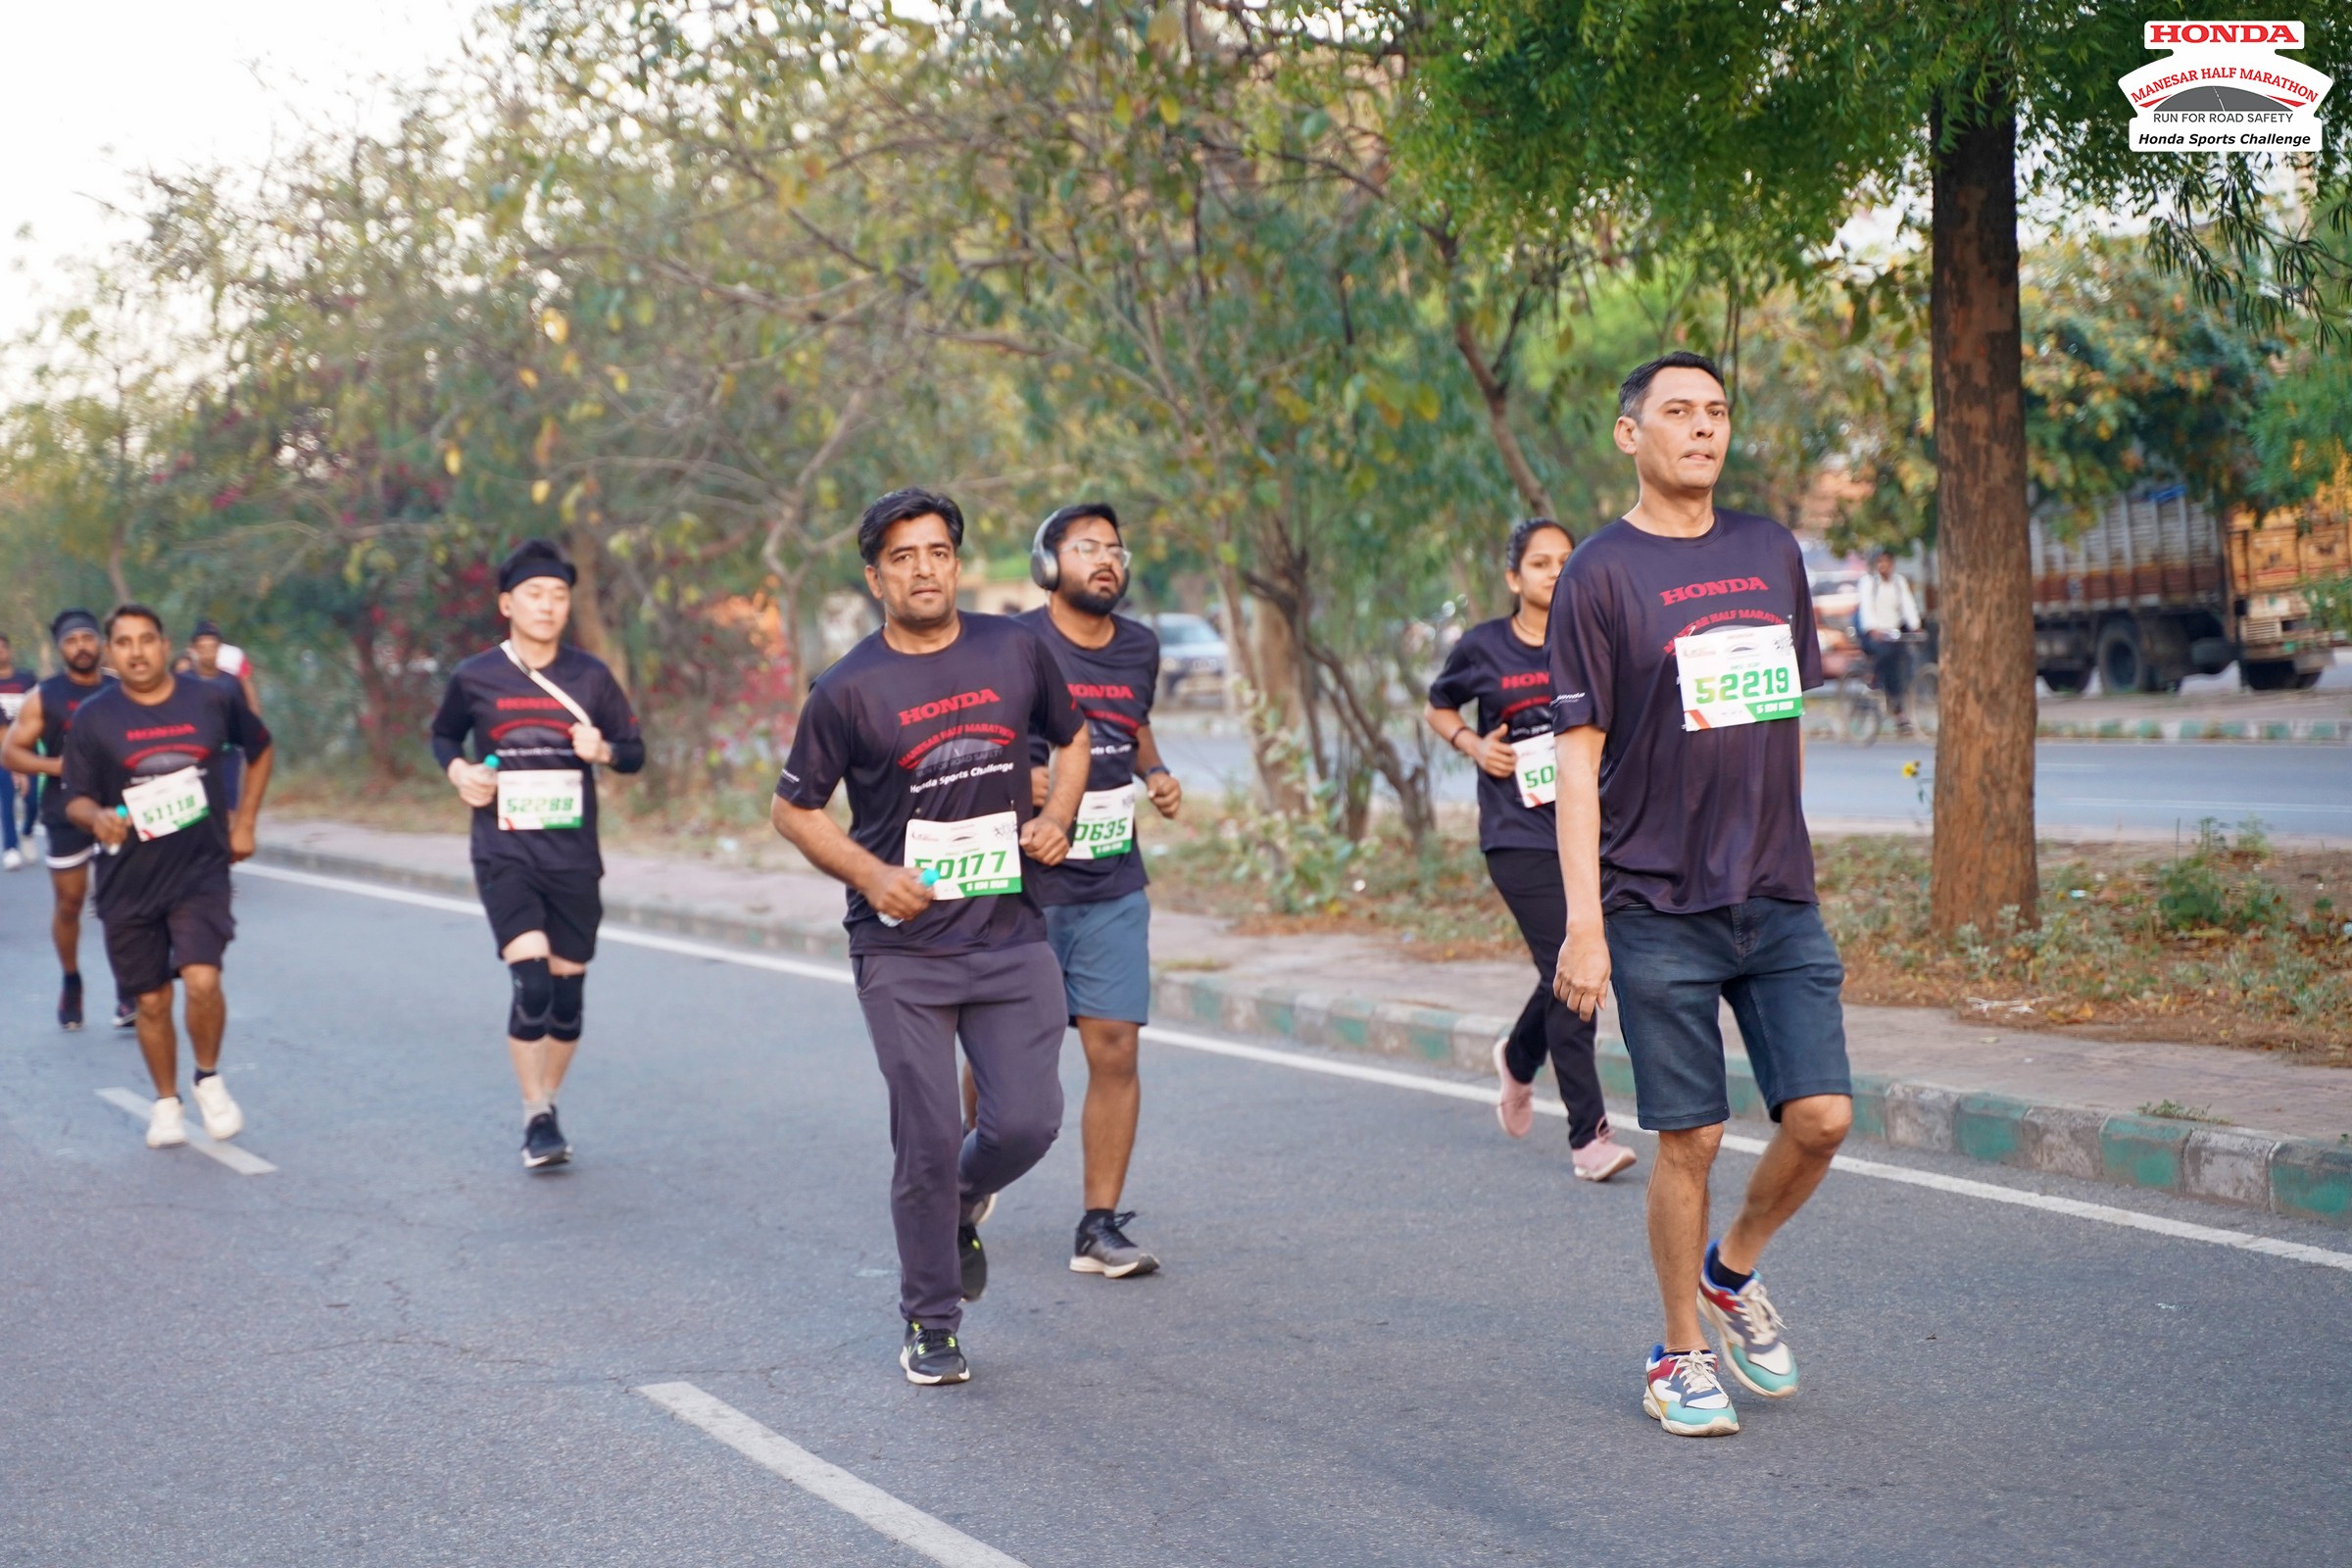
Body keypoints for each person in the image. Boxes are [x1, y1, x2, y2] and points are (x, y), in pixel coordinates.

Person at [1548, 351, 1853, 1439]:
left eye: (1717, 411)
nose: (1703, 428)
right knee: (1692, 1138)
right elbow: (1576, 756)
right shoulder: (1598, 574)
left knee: (1823, 1117)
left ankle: (1733, 1270)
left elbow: (1786, 717)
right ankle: (1677, 1352)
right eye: (1678, 412)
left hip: (1775, 891)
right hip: (1653, 902)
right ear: (1630, 434)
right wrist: (1584, 924)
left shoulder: (1771, 550)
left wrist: (1790, 843)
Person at [771, 487, 1090, 1387]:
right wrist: (871, 876)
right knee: (925, 1136)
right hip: (902, 950)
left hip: (1009, 933)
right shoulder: (846, 688)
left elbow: (1074, 740)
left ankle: (959, 1201)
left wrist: (1057, 817)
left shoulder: (1013, 648)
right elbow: (793, 810)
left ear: (956, 562)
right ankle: (931, 1320)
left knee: (1027, 1123)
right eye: (903, 558)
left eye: (938, 552)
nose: (924, 570)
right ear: (876, 578)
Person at [1424, 518, 1636, 1183]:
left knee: (1562, 970)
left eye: (1566, 560)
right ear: (1514, 578)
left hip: (1591, 829)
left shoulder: (1595, 637)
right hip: (1518, 835)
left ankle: (1518, 1058)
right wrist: (1472, 744)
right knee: (1574, 973)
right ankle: (1589, 1137)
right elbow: (1438, 706)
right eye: (1541, 563)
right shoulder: (1484, 646)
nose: (1556, 572)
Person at [430, 538, 645, 1170]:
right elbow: (443, 735)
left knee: (566, 1000)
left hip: (573, 856)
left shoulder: (591, 677)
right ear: (507, 604)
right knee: (531, 983)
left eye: (558, 595)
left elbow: (634, 752)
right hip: (505, 851)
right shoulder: (475, 676)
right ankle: (536, 1117)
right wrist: (460, 772)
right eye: (534, 594)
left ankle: (548, 1099)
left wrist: (604, 751)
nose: (547, 605)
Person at [1010, 501, 1183, 1277]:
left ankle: (1098, 1226)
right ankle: (975, 1166)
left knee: (1114, 1047)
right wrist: (1025, 780)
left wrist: (1156, 770)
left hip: (1113, 874)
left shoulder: (1140, 646)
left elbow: (1133, 720)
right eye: (1086, 548)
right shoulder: (1014, 644)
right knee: (1012, 1056)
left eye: (1115, 549)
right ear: (1048, 565)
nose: (1106, 560)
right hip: (1024, 881)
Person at [61, 605, 274, 1149]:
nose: (136, 652)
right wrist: (97, 817)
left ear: (164, 644)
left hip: (200, 868)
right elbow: (74, 798)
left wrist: (246, 822)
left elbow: (261, 748)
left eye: (146, 639)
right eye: (124, 642)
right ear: (111, 653)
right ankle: (166, 1102)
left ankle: (208, 1079)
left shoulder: (210, 698)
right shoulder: (94, 717)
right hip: (128, 878)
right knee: (152, 1001)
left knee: (202, 979)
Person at [2, 611, 121, 1030]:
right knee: (70, 903)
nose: (81, 647)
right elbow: (11, 753)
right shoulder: (45, 696)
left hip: (119, 809)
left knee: (121, 902)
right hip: (65, 809)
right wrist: (57, 766)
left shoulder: (120, 689)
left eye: (87, 638)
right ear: (60, 648)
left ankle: (129, 989)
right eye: (71, 641)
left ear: (100, 644)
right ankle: (71, 980)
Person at [187, 619, 264, 808]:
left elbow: (243, 714)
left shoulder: (230, 682)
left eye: (212, 647)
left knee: (228, 800)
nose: (207, 653)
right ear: (194, 650)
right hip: (193, 755)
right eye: (202, 648)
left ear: (219, 649)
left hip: (227, 752)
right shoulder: (183, 682)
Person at [1854, 549, 1922, 736]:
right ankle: (1873, 681)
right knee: (1885, 658)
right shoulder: (1869, 583)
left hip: (1893, 634)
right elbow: (1866, 608)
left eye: (1886, 562)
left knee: (1902, 663)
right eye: (1880, 562)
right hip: (1873, 635)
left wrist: (1915, 627)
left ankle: (1898, 709)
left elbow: (1908, 607)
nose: (1883, 566)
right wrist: (1873, 629)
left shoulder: (1899, 583)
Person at [0, 635, 34, 871]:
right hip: (2, 749)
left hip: (29, 748)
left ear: (9, 651)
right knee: (7, 798)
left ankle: (28, 830)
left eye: (2, 648)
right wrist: (12, 763)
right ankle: (11, 848)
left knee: (32, 801)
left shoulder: (27, 679)